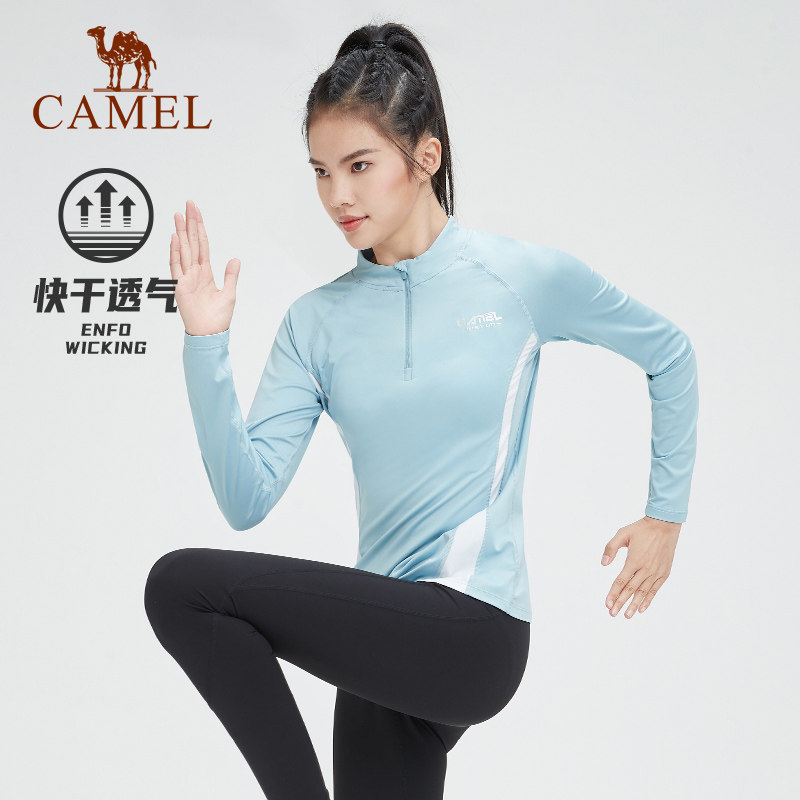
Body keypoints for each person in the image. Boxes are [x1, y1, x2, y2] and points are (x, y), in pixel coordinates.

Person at [143, 21, 698, 800]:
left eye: (360, 165)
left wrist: (665, 515)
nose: (338, 195)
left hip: (473, 629)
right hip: (381, 648)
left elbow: (670, 353)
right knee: (193, 594)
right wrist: (206, 344)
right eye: (321, 171)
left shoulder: (517, 279)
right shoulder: (316, 322)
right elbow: (246, 499)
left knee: (180, 585)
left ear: (425, 156)